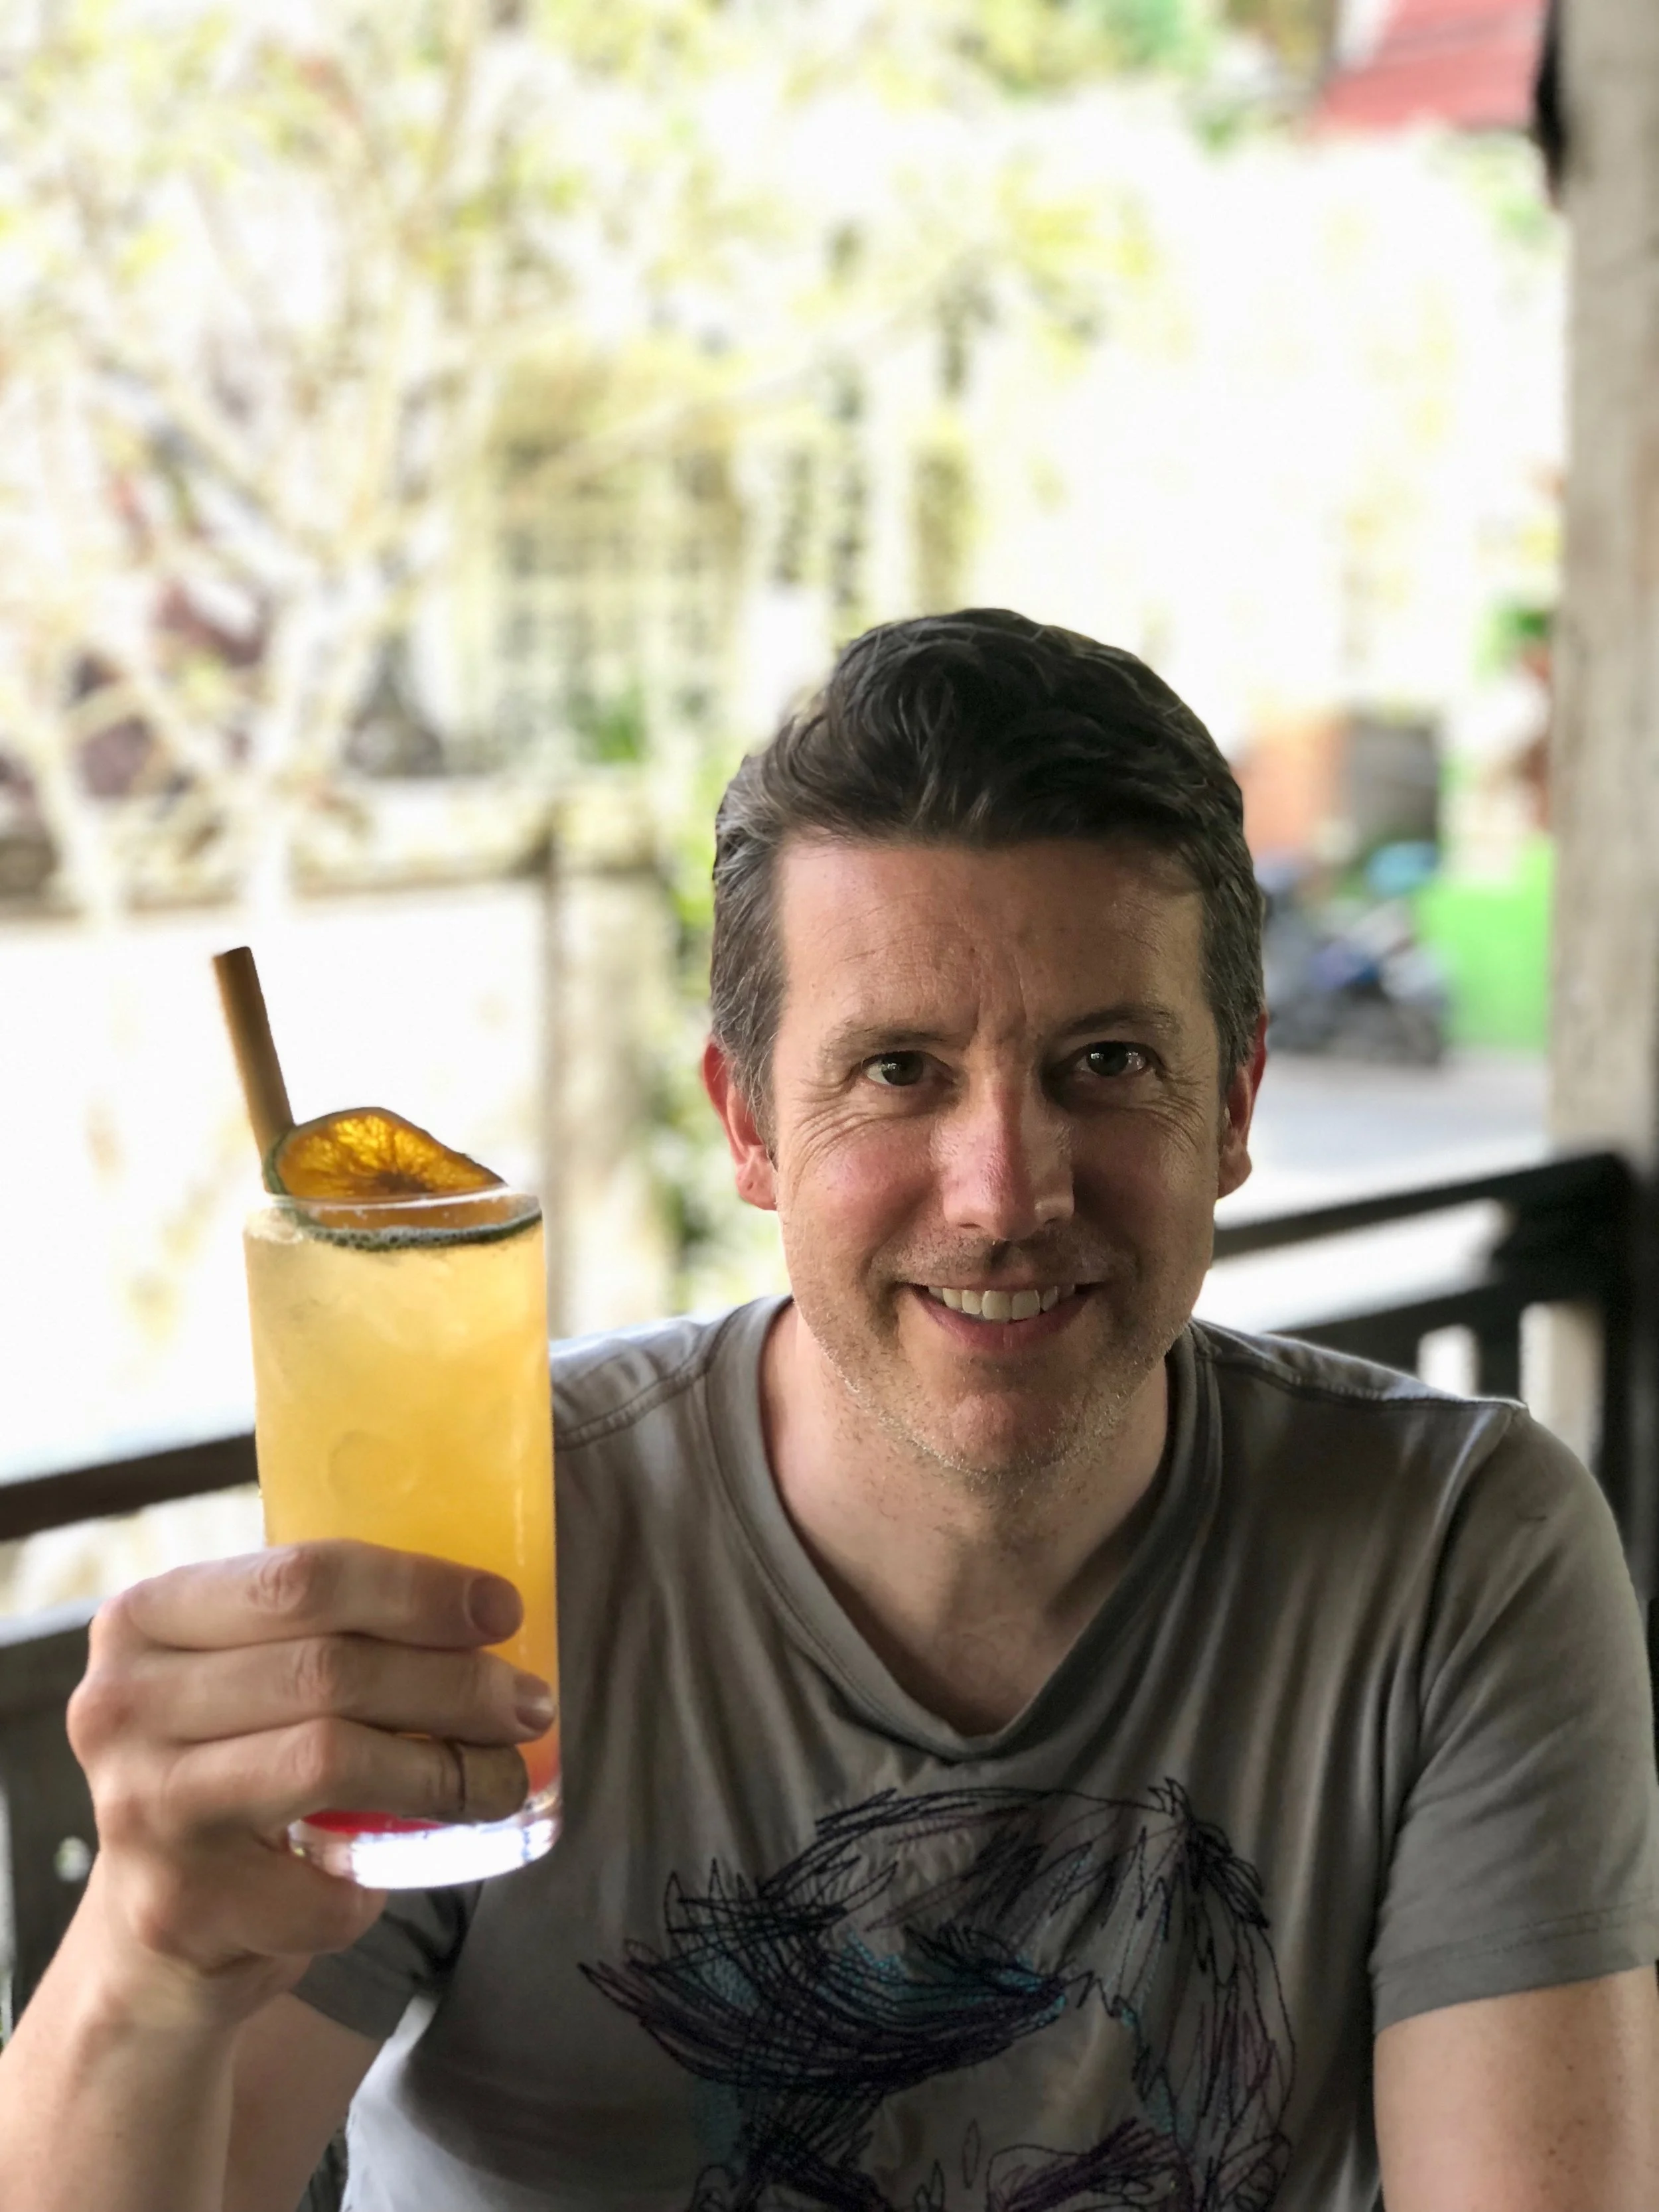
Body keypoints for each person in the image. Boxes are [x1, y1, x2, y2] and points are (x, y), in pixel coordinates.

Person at [3, 609, 1656, 2212]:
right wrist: (147, 1955)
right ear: (746, 1126)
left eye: (1103, 1062)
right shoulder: (500, 1537)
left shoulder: (1453, 1550)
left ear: (1231, 1103)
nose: (1004, 1192)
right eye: (895, 1071)